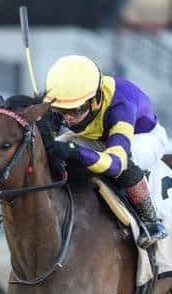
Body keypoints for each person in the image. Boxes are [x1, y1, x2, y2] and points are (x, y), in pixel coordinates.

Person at [44, 54, 167, 249]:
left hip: (142, 137)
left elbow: (116, 164)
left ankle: (151, 221)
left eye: (75, 110)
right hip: (97, 137)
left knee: (127, 161)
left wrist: (76, 152)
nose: (68, 119)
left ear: (96, 99)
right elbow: (49, 133)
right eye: (60, 111)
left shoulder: (121, 105)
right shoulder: (68, 102)